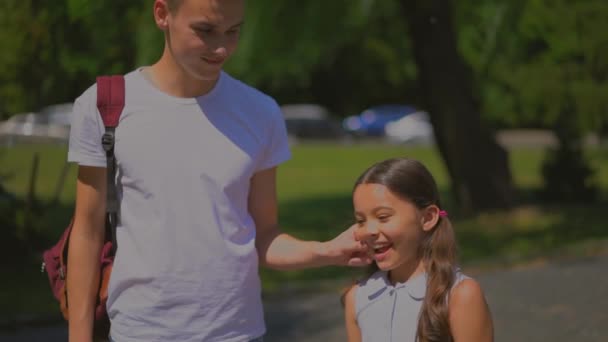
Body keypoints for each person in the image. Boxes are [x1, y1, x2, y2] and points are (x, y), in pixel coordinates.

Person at [66, 0, 370, 341]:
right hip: (140, 331)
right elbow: (87, 232)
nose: (221, 48)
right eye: (205, 31)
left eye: (233, 31)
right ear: (162, 14)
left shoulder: (261, 113)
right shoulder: (104, 105)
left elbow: (265, 236)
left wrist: (327, 250)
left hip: (238, 333)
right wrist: (80, 335)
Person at [342, 158, 494, 342]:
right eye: (361, 221)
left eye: (383, 217)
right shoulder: (357, 297)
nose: (369, 231)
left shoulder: (459, 295)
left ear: (428, 218)